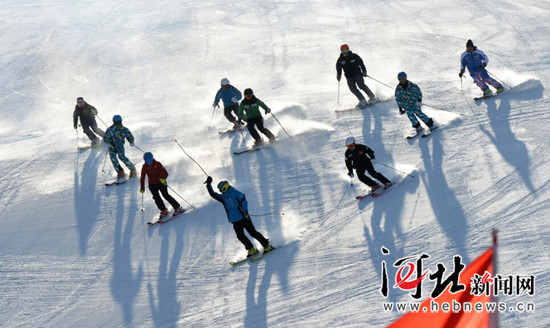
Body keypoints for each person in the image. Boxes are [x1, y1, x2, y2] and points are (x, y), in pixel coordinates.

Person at [205, 176, 273, 257]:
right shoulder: (223, 198)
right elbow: (213, 194)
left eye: (222, 189)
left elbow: (243, 200)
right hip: (235, 221)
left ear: (226, 187)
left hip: (244, 217)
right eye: (220, 190)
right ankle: (251, 249)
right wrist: (209, 185)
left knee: (253, 233)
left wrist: (245, 211)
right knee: (240, 236)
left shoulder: (235, 193)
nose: (221, 192)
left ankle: (266, 245)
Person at [140, 152, 184, 218]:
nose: (149, 162)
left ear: (152, 158)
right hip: (152, 184)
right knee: (156, 197)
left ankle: (177, 208)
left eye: (150, 160)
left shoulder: (158, 164)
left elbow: (165, 173)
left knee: (165, 195)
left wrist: (163, 178)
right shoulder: (144, 167)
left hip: (161, 182)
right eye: (147, 161)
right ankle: (163, 210)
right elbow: (142, 177)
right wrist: (142, 186)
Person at [336, 44, 378, 108]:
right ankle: (362, 100)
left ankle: (372, 97)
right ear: (341, 51)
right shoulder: (340, 60)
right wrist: (339, 75)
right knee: (352, 88)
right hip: (349, 77)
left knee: (361, 85)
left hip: (357, 74)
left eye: (346, 50)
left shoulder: (354, 56)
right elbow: (338, 68)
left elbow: (361, 63)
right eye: (343, 51)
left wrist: (364, 71)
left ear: (348, 49)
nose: (345, 52)